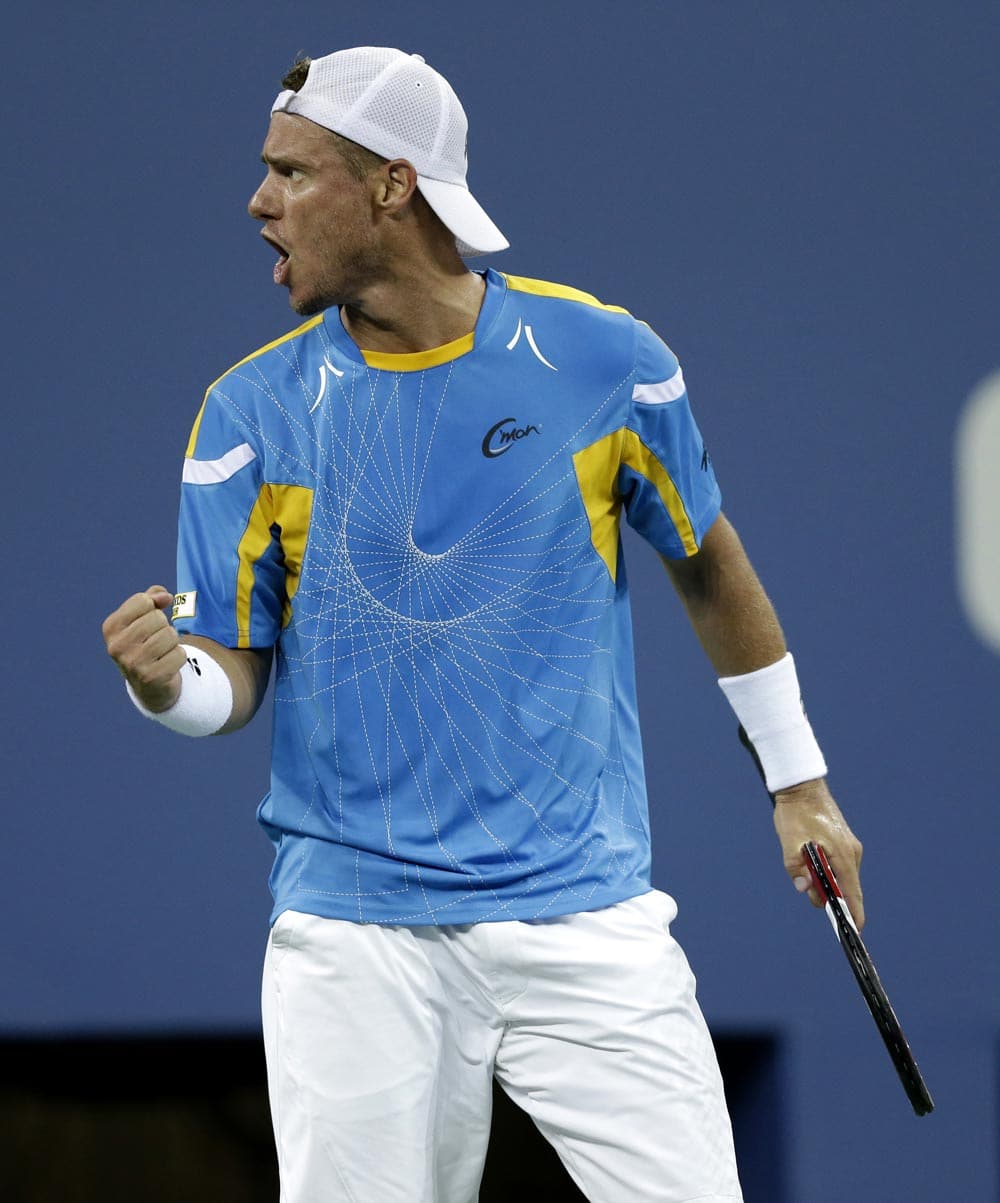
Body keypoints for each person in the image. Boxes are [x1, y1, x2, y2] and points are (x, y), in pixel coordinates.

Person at [102, 46, 863, 1203]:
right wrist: (168, 684)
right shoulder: (249, 415)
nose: (259, 203)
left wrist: (797, 783)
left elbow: (707, 568)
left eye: (292, 173)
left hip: (586, 919)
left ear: (394, 186)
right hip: (353, 941)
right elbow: (231, 677)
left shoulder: (603, 361)